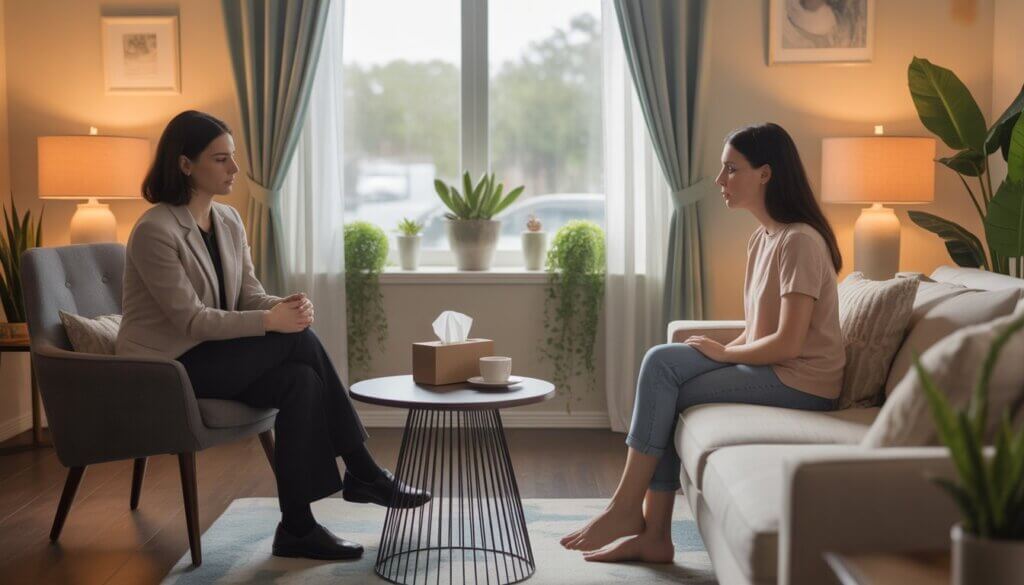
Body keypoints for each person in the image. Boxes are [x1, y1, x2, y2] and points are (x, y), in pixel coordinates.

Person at [115, 110, 429, 561]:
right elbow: (192, 321)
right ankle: (363, 470)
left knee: (301, 380)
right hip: (170, 367)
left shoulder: (227, 220)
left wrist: (285, 307)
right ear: (185, 164)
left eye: (233, 156)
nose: (235, 169)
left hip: (214, 355)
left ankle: (297, 528)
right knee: (296, 342)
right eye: (220, 159)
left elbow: (249, 295)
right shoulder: (155, 230)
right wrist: (272, 322)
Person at [560, 122, 845, 563]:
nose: (719, 180)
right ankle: (648, 530)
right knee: (662, 363)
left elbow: (788, 343)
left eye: (731, 169)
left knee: (666, 379)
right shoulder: (762, 238)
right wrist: (722, 348)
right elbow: (759, 329)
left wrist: (725, 353)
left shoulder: (800, 242)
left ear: (765, 174)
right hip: (778, 369)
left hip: (806, 383)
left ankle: (632, 515)